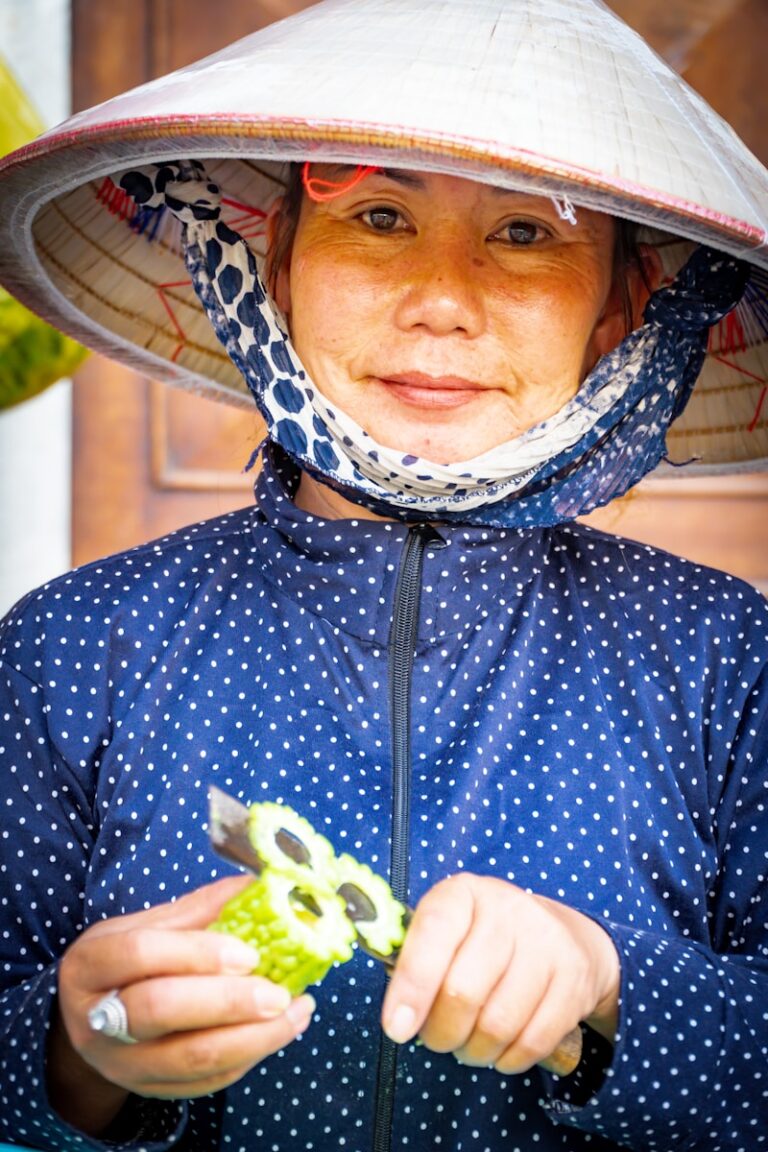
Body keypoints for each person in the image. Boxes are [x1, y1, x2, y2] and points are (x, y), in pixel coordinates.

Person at [0, 1, 767, 1149]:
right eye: (376, 215)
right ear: (280, 267)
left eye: (524, 234)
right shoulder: (75, 645)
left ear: (616, 307)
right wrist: (76, 1056)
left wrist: (607, 989)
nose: (442, 303)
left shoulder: (725, 659)